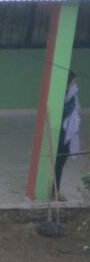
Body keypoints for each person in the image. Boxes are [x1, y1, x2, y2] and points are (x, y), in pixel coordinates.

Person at [53, 71, 79, 202]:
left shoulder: (71, 96)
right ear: (67, 83)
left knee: (60, 163)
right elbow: (63, 112)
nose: (75, 85)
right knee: (58, 163)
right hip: (61, 135)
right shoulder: (61, 96)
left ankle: (55, 190)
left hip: (68, 135)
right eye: (73, 82)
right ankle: (54, 191)